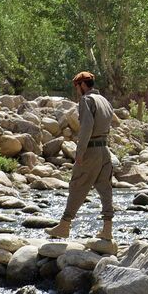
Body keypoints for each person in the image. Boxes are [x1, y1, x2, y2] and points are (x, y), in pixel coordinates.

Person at [50, 71, 117, 243]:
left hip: (91, 151)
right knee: (105, 189)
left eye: (77, 86)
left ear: (82, 85)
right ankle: (107, 230)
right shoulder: (105, 101)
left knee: (77, 185)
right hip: (104, 150)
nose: (77, 90)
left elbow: (87, 127)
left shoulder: (87, 100)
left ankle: (64, 225)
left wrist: (79, 152)